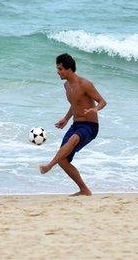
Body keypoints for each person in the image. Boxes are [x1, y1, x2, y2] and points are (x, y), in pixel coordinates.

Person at [40, 53, 107, 196]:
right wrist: (65, 119)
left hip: (90, 126)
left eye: (60, 69)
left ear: (69, 69)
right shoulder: (66, 85)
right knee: (63, 160)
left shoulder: (85, 84)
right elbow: (74, 105)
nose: (58, 72)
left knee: (74, 139)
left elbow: (102, 101)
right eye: (57, 68)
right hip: (76, 125)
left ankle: (49, 166)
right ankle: (84, 190)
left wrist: (95, 109)